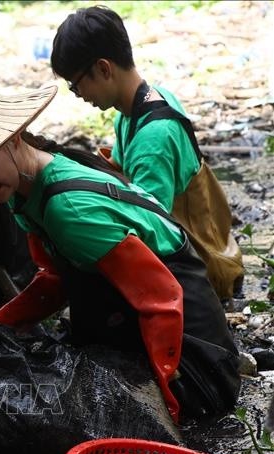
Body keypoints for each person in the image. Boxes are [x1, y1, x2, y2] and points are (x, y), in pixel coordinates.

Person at [0, 79, 241, 423]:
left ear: (11, 138)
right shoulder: (29, 186)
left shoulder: (67, 209)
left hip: (198, 365)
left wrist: (169, 396)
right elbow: (55, 280)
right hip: (145, 325)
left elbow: (161, 296)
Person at [50, 5, 243, 302]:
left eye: (76, 86)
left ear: (103, 68)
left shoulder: (153, 140)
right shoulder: (141, 106)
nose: (79, 95)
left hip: (200, 272)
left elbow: (153, 233)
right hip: (207, 244)